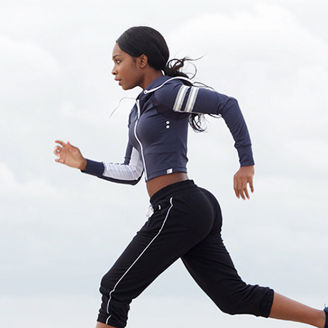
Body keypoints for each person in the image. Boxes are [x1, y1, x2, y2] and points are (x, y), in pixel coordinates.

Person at [54, 26, 327, 328]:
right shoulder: (138, 110)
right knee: (231, 298)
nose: (114, 70)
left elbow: (227, 104)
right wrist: (84, 164)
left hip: (179, 205)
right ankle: (323, 319)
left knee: (114, 287)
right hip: (183, 207)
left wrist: (246, 163)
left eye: (119, 61)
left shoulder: (167, 92)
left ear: (141, 61)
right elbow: (133, 172)